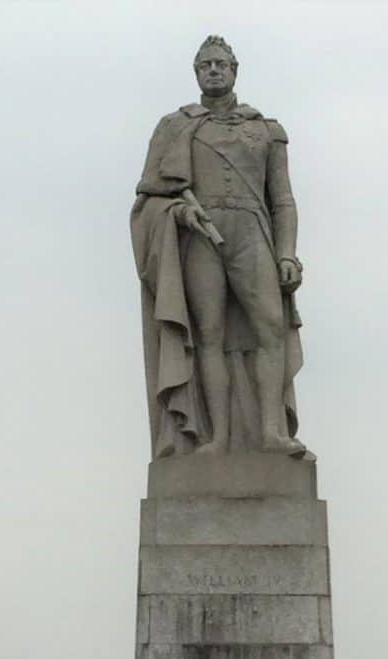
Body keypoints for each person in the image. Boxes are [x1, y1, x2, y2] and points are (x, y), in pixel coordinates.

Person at [131, 35, 308, 459]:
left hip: (251, 231)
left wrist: (287, 253)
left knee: (269, 327)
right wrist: (176, 212)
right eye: (206, 64)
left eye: (221, 64)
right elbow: (150, 192)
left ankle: (270, 432)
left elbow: (282, 199)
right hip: (200, 234)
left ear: (234, 70)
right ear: (196, 72)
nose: (214, 69)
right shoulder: (175, 126)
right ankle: (219, 438)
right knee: (208, 334)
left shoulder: (266, 129)